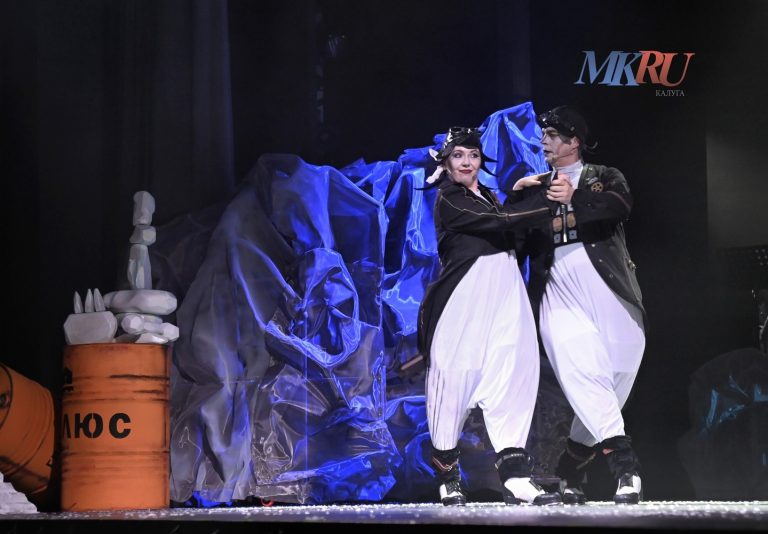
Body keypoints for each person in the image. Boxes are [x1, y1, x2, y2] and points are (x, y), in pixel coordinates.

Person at [416, 126, 561, 506]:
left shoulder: (489, 197)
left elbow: (508, 224)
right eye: (458, 155)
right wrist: (542, 199)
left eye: (473, 155)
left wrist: (519, 194)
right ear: (446, 163)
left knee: (512, 376)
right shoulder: (450, 199)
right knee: (453, 380)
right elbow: (498, 221)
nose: (467, 162)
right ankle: (448, 478)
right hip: (465, 301)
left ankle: (516, 478)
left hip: (505, 298)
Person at [509, 105, 647, 505]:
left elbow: (620, 206)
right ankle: (626, 469)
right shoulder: (535, 187)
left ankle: (569, 472)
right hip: (559, 296)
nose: (544, 142)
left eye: (553, 136)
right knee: (585, 374)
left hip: (611, 291)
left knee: (612, 382)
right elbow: (510, 241)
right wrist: (514, 198)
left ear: (574, 142)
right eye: (543, 135)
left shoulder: (605, 176)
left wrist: (576, 196)